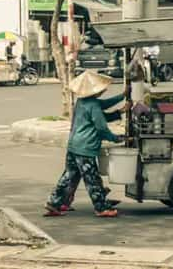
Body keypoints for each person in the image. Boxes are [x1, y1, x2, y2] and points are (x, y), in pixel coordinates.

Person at [45, 71, 127, 218]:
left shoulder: (82, 102)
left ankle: (54, 202)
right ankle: (101, 208)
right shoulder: (93, 105)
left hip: (73, 145)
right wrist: (117, 138)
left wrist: (122, 98)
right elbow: (101, 127)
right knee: (92, 179)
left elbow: (104, 106)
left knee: (68, 176)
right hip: (85, 148)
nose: (104, 90)